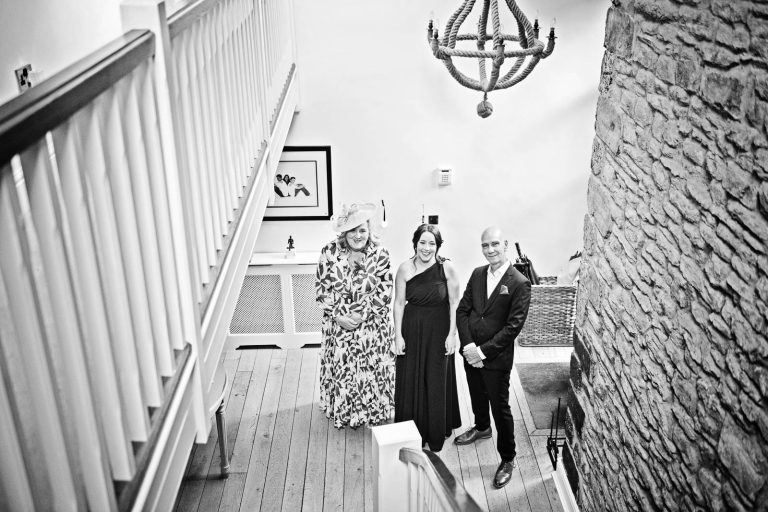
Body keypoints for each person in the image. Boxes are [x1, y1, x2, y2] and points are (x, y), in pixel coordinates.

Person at [454, 226, 531, 489]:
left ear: (505, 244)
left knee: (501, 408)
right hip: (470, 352)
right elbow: (463, 310)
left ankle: (508, 458)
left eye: (495, 244)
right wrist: (468, 347)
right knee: (476, 394)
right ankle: (481, 427)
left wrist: (483, 352)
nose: (490, 250)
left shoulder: (519, 283)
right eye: (485, 245)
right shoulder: (477, 274)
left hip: (495, 359)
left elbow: (513, 327)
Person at [315, 203, 396, 428]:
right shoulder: (328, 252)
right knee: (345, 371)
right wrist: (339, 316)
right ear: (344, 232)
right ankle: (345, 412)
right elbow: (322, 290)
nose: (358, 235)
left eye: (362, 230)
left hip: (372, 327)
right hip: (339, 326)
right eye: (352, 230)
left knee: (370, 371)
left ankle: (372, 412)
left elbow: (385, 290)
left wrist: (363, 315)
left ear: (369, 230)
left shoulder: (381, 254)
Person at [393, 224, 462, 451]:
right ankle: (410, 432)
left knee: (435, 377)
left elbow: (454, 303)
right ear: (415, 243)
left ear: (438, 246)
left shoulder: (447, 268)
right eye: (422, 242)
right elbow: (399, 304)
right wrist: (398, 335)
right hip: (412, 330)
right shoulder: (404, 269)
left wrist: (452, 335)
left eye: (432, 243)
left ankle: (434, 431)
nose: (426, 247)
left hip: (439, 331)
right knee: (411, 376)